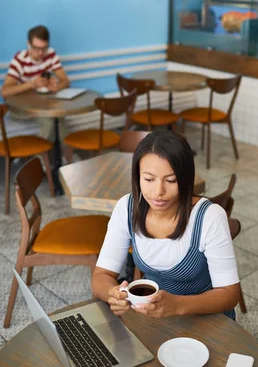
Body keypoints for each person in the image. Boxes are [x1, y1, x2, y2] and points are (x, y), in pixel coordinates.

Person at [92, 130, 240, 319]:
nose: (158, 191)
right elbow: (100, 276)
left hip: (208, 320)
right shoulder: (126, 208)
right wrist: (112, 295)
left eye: (171, 180)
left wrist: (177, 305)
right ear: (137, 176)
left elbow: (230, 293)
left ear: (186, 179)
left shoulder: (209, 217)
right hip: (156, 318)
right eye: (148, 179)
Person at [1, 25, 70, 141]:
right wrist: (31, 85)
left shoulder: (51, 54)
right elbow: (4, 92)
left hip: (40, 105)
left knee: (60, 118)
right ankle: (38, 158)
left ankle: (67, 157)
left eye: (44, 48)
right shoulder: (20, 59)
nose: (41, 53)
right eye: (36, 48)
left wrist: (55, 87)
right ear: (28, 43)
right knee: (49, 122)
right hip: (20, 108)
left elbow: (66, 81)